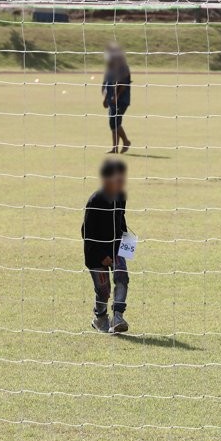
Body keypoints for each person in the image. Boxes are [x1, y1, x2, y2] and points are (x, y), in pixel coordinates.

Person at [82, 158, 130, 333]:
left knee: (122, 277)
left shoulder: (121, 196)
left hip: (116, 246)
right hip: (95, 253)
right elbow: (87, 233)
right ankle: (100, 317)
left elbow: (120, 220)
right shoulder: (95, 201)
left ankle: (118, 317)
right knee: (103, 291)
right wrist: (102, 256)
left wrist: (127, 243)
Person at [102, 43, 132, 154]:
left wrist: (116, 96)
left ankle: (126, 141)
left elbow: (123, 84)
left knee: (114, 122)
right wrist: (105, 98)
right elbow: (107, 84)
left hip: (121, 100)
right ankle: (114, 148)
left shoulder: (123, 67)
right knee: (113, 122)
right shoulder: (110, 67)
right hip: (111, 100)